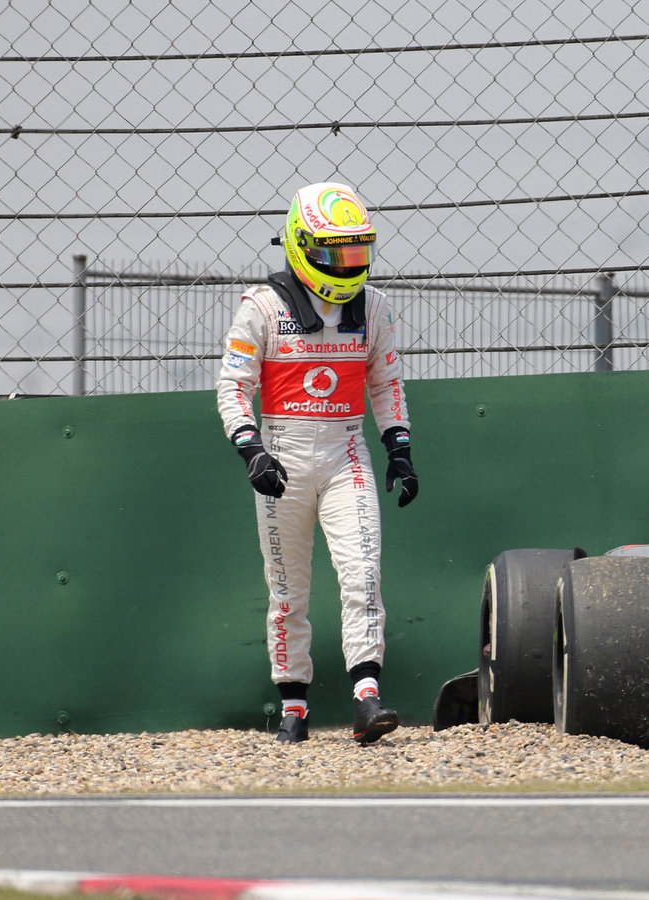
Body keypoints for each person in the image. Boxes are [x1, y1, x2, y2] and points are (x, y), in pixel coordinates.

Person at [216, 181, 418, 744]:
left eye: (358, 250)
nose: (350, 263)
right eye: (338, 252)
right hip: (280, 459)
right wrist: (252, 450)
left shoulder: (373, 306)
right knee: (287, 590)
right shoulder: (261, 306)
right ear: (302, 247)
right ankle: (295, 707)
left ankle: (366, 699)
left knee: (363, 575)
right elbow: (233, 386)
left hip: (346, 453)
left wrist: (399, 447)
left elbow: (386, 382)